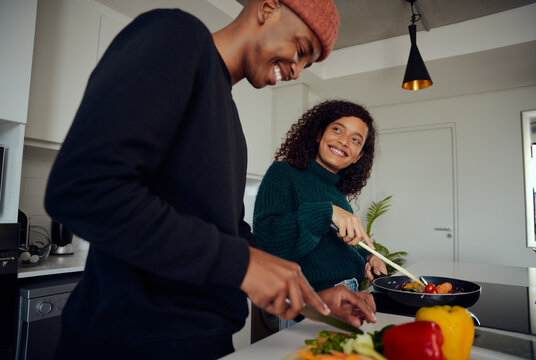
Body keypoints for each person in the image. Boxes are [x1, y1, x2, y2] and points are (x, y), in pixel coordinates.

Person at [44, 1, 376, 359]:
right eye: (299, 49)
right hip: (131, 343)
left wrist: (311, 302)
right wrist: (243, 264)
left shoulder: (229, 120)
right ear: (267, 8)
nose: (296, 71)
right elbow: (84, 188)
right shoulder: (176, 36)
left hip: (204, 342)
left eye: (306, 64)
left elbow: (227, 232)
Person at [253, 100, 388, 294]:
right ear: (319, 134)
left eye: (355, 140)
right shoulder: (283, 173)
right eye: (337, 130)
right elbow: (268, 241)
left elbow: (343, 244)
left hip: (351, 293)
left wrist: (369, 257)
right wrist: (326, 213)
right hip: (311, 301)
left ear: (358, 156)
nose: (344, 141)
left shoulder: (337, 193)